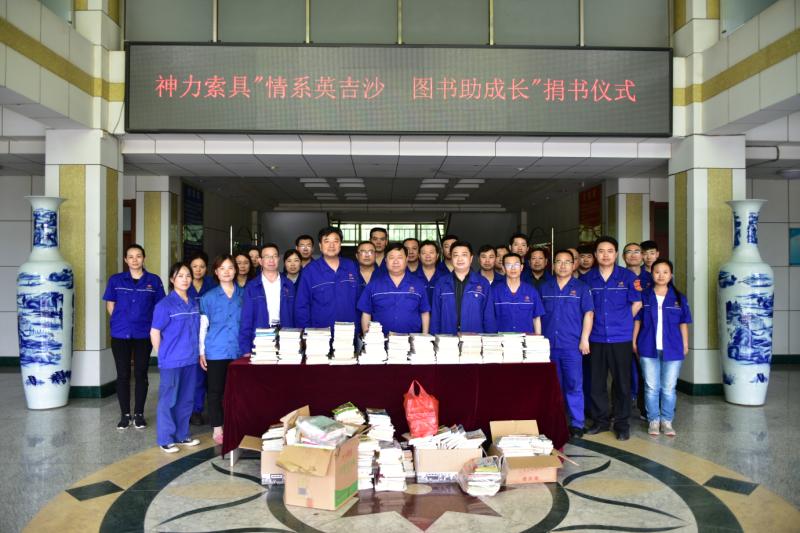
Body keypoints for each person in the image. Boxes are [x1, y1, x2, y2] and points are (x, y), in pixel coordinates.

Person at [583, 236, 642, 441]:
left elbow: (637, 303)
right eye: (601, 251)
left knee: (622, 383)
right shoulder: (588, 279)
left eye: (610, 251)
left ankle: (622, 423)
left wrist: (623, 320)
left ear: (616, 254)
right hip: (596, 337)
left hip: (621, 337)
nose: (605, 255)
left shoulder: (627, 277)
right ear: (595, 254)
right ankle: (600, 421)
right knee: (596, 383)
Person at [104, 244, 165, 430]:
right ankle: (125, 415)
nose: (135, 260)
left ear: (144, 258)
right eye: (130, 257)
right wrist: (119, 321)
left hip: (144, 333)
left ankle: (139, 414)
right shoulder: (116, 280)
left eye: (138, 256)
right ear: (125, 260)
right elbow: (110, 304)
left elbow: (160, 306)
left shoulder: (153, 280)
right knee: (122, 374)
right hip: (120, 333)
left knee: (141, 373)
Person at [633, 259, 691, 437]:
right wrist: (634, 341)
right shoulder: (645, 296)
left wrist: (685, 344)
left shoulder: (679, 298)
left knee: (669, 388)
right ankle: (653, 420)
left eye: (665, 272)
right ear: (652, 274)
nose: (661, 275)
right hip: (648, 347)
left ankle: (666, 421)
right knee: (651, 387)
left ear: (670, 275)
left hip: (673, 348)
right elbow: (638, 320)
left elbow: (683, 323)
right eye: (657, 272)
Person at [540, 250, 594, 437]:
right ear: (553, 265)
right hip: (548, 346)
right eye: (559, 262)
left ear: (573, 265)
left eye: (567, 262)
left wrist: (584, 339)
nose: (562, 266)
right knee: (554, 385)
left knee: (574, 384)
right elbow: (537, 316)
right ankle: (556, 420)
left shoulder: (581, 288)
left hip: (572, 345)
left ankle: (577, 423)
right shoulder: (545, 288)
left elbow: (589, 314)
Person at [150, 262, 201, 453]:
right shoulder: (164, 305)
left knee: (186, 399)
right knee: (168, 400)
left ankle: (182, 434)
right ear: (172, 279)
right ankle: (165, 438)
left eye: (188, 275)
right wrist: (162, 354)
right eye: (180, 276)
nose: (185, 279)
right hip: (171, 361)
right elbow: (155, 332)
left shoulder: (193, 302)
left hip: (190, 359)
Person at [199, 255, 244, 445]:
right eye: (222, 268)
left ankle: (236, 424)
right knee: (215, 390)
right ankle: (217, 427)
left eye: (230, 268)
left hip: (239, 350)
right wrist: (201, 351)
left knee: (238, 390)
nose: (227, 272)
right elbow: (203, 327)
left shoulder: (244, 294)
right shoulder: (208, 297)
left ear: (235, 270)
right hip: (216, 350)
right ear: (216, 272)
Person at [358, 243, 430, 334]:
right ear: (385, 260)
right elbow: (366, 313)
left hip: (411, 339)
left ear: (406, 259)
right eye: (391, 258)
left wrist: (424, 336)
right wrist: (367, 337)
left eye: (400, 257)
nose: (396, 261)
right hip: (380, 340)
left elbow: (425, 312)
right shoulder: (374, 284)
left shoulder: (418, 284)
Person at [294, 227, 359, 328]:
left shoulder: (351, 266)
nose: (331, 245)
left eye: (335, 241)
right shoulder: (310, 271)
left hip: (349, 332)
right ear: (320, 246)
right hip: (320, 333)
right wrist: (306, 333)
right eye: (327, 241)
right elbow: (302, 306)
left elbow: (359, 300)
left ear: (340, 244)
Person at [239, 244, 296, 356]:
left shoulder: (288, 285)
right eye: (267, 256)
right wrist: (246, 349)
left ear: (278, 259)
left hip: (286, 336)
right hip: (261, 337)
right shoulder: (252, 286)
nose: (271, 260)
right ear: (260, 261)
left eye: (274, 256)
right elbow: (246, 319)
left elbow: (295, 315)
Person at [430, 241, 496, 334]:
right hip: (447, 338)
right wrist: (434, 338)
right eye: (456, 255)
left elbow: (489, 315)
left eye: (464, 255)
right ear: (451, 258)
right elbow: (435, 315)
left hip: (474, 338)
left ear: (471, 258)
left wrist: (490, 339)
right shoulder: (441, 283)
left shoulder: (483, 283)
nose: (460, 259)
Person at [622, 241, 651, 419]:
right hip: (622, 328)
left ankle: (645, 408)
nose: (633, 255)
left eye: (637, 251)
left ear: (642, 256)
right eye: (629, 252)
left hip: (646, 329)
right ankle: (622, 408)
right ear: (623, 256)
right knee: (623, 370)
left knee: (645, 370)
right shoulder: (618, 276)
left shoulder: (652, 277)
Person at [187, 251, 216, 427]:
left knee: (211, 374)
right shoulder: (184, 283)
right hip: (189, 335)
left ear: (207, 268)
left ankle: (214, 410)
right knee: (196, 376)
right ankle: (195, 410)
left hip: (211, 334)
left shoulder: (213, 284)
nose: (198, 270)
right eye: (194, 266)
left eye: (202, 266)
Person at [491, 253, 543, 334]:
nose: (513, 268)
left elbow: (536, 318)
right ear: (503, 268)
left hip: (526, 339)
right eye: (508, 265)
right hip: (502, 339)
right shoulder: (495, 291)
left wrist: (538, 338)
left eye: (516, 265)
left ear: (521, 267)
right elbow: (490, 318)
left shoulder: (532, 291)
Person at [417, 240, 448, 304]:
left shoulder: (446, 277)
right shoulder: (412, 277)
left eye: (431, 252)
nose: (427, 256)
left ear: (437, 255)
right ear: (419, 256)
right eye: (424, 253)